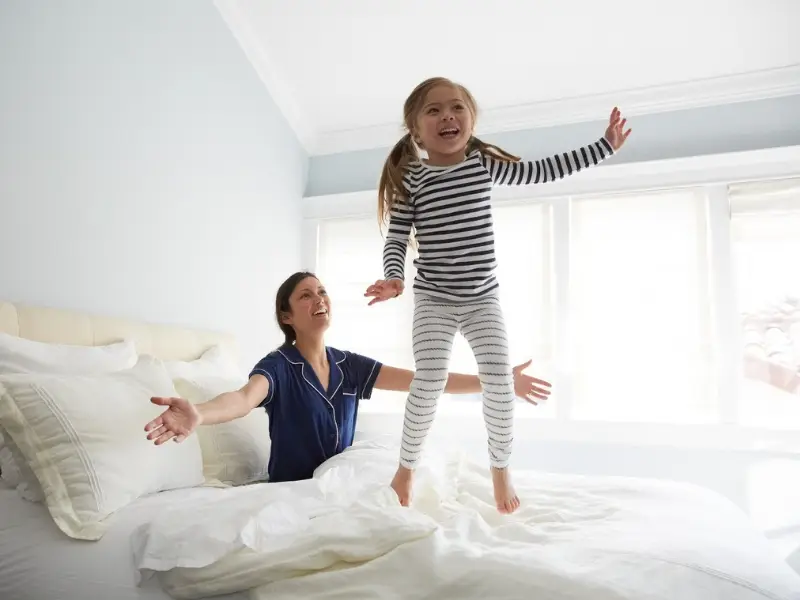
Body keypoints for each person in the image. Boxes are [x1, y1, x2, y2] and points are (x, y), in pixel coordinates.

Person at [364, 77, 632, 514]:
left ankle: (501, 469)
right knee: (428, 380)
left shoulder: (482, 164)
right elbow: (396, 239)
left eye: (456, 108)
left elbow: (544, 169)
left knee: (500, 384)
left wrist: (604, 146)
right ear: (415, 130)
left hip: (481, 298)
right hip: (433, 298)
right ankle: (405, 469)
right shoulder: (412, 178)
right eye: (433, 111)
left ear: (470, 121)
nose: (447, 116)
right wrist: (394, 279)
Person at [144, 271, 552, 486]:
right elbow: (243, 398)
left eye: (321, 291)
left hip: (341, 486)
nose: (319, 299)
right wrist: (197, 412)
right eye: (305, 295)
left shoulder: (348, 366)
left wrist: (496, 381)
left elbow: (425, 380)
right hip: (294, 494)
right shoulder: (278, 365)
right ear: (287, 317)